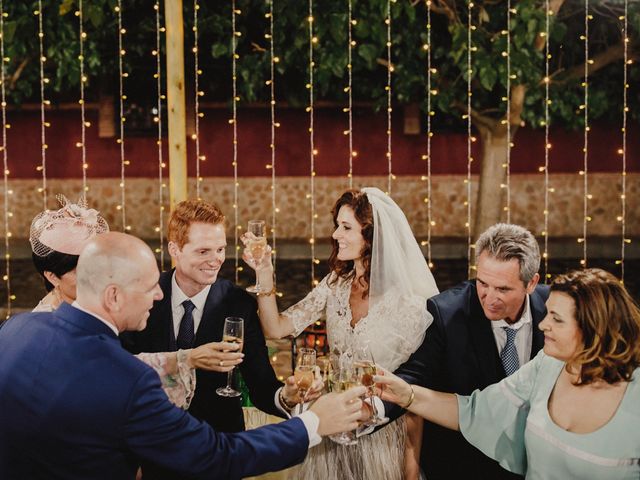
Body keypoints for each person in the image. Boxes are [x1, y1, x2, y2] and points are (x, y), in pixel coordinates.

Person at [0, 232, 366, 480]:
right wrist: (313, 424)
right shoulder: (129, 379)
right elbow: (217, 455)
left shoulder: (15, 330)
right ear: (112, 296)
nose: (158, 296)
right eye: (148, 289)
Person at [243, 187, 439, 480]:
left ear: (371, 236)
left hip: (381, 438)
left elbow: (413, 392)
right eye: (338, 225)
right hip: (332, 430)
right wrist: (264, 273)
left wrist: (410, 470)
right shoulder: (336, 283)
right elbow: (276, 328)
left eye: (346, 227)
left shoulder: (408, 303)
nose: (336, 234)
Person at [376, 268, 640, 479]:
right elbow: (474, 411)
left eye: (557, 319)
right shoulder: (546, 366)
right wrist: (406, 394)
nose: (542, 324)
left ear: (594, 327)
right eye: (547, 313)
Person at [121, 200, 305, 478]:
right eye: (203, 251)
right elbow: (122, 369)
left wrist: (287, 398)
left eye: (220, 250)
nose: (216, 259)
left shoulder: (239, 303)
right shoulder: (145, 294)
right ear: (175, 249)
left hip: (219, 453)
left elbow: (262, 385)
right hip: (153, 449)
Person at [29, 195, 236, 409]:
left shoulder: (93, 306)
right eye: (83, 270)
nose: (98, 275)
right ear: (53, 276)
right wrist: (186, 358)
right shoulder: (49, 327)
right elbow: (110, 374)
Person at [386, 223, 549, 480]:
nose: (489, 297)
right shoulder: (446, 312)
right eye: (482, 283)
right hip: (464, 466)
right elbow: (413, 377)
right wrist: (375, 407)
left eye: (503, 289)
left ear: (532, 283)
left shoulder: (557, 310)